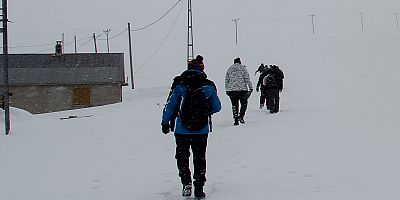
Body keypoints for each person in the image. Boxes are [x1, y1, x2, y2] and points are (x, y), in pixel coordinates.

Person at [161, 55, 221, 199]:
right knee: (199, 157)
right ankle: (199, 187)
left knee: (182, 156)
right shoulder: (208, 86)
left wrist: (165, 122)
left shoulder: (179, 84)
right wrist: (204, 112)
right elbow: (217, 107)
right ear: (202, 69)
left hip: (182, 129)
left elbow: (170, 105)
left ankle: (186, 183)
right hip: (201, 129)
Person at [225, 57, 253, 125]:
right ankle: (241, 116)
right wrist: (250, 87)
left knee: (234, 105)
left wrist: (227, 89)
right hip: (242, 90)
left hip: (231, 90)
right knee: (244, 103)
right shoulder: (243, 68)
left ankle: (235, 119)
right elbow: (247, 79)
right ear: (240, 62)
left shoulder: (229, 69)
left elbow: (226, 80)